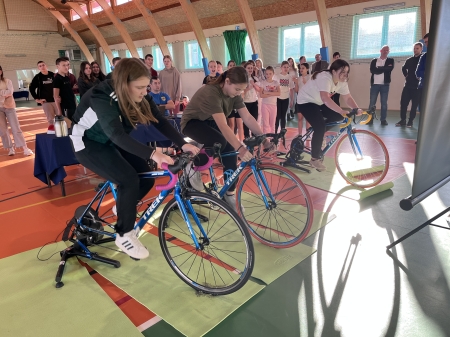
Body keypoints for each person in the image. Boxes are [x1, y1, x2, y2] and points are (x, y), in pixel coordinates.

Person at [69, 58, 199, 259]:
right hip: (88, 143)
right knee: (128, 179)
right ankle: (124, 234)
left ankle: (122, 205)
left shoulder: (138, 93)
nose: (144, 92)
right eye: (140, 87)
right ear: (124, 83)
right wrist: (154, 153)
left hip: (112, 139)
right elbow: (116, 135)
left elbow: (160, 121)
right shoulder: (101, 96)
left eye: (146, 87)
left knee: (146, 177)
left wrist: (183, 143)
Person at [180, 67, 272, 212]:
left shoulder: (234, 94)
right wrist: (241, 148)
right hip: (192, 123)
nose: (239, 93)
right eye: (237, 89)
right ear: (227, 81)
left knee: (230, 152)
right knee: (222, 142)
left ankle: (228, 194)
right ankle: (191, 165)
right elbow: (223, 126)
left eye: (242, 90)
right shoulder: (212, 93)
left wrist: (264, 138)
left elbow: (247, 117)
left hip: (209, 121)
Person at [296, 59, 363, 171]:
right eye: (342, 72)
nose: (345, 75)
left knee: (339, 117)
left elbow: (348, 97)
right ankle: (314, 159)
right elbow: (325, 98)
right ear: (333, 71)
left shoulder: (342, 82)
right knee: (320, 126)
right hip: (305, 101)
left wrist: (356, 108)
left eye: (346, 72)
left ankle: (320, 134)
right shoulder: (325, 77)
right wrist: (341, 110)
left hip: (319, 101)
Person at [0, 65, 34, 156]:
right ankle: (10, 148)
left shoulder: (7, 81)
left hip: (10, 107)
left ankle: (25, 148)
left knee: (16, 128)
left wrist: (1, 93)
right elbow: (6, 93)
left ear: (1, 71)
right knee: (2, 130)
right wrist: (4, 92)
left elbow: (10, 92)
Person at [396, 42, 423, 128]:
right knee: (403, 103)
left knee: (414, 105)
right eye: (414, 48)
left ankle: (410, 121)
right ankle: (403, 120)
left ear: (421, 49)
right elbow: (403, 68)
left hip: (417, 87)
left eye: (417, 48)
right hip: (407, 86)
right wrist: (406, 75)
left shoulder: (422, 59)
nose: (415, 50)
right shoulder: (410, 60)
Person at [29, 61, 58, 134]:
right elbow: (31, 88)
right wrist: (37, 99)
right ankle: (53, 133)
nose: (42, 67)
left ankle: (62, 132)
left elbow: (59, 86)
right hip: (46, 102)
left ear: (46, 66)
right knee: (51, 119)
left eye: (43, 65)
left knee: (60, 117)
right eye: (40, 66)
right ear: (38, 68)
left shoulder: (53, 75)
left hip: (56, 100)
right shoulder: (38, 77)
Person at [368, 45, 394, 125]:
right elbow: (372, 70)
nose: (385, 51)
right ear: (380, 51)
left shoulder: (391, 60)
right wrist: (383, 68)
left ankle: (383, 120)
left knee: (384, 103)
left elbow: (389, 69)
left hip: (385, 85)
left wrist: (379, 68)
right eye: (384, 50)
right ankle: (370, 119)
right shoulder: (374, 60)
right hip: (374, 85)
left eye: (387, 50)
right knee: (372, 103)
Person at [53, 57, 77, 121]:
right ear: (58, 66)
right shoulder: (57, 79)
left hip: (72, 105)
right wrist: (59, 111)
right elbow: (56, 96)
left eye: (68, 65)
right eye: (64, 65)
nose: (66, 67)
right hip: (65, 107)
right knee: (69, 125)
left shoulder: (66, 77)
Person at [259, 66, 280, 134]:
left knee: (272, 124)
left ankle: (273, 139)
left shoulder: (276, 83)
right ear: (265, 74)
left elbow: (278, 93)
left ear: (273, 74)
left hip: (273, 105)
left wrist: (267, 93)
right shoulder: (263, 83)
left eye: (270, 74)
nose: (268, 75)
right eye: (267, 74)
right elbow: (261, 95)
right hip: (265, 105)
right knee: (266, 124)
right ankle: (266, 139)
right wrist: (273, 93)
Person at [242, 61, 261, 138]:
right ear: (245, 69)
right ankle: (247, 136)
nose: (250, 69)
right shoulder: (243, 79)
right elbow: (241, 92)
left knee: (254, 119)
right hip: (246, 102)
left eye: (251, 68)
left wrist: (253, 84)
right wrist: (248, 88)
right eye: (248, 68)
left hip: (254, 101)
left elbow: (259, 89)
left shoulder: (255, 78)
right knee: (246, 120)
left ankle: (254, 135)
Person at [276, 61, 294, 132]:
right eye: (284, 67)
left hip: (286, 98)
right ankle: (275, 131)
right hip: (278, 98)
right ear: (281, 68)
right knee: (277, 116)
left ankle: (282, 132)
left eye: (287, 67)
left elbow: (291, 89)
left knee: (283, 116)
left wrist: (292, 100)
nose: (286, 68)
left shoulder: (289, 77)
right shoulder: (277, 76)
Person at [294, 62, 311, 134]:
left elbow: (311, 89)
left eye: (303, 68)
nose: (301, 70)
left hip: (307, 101)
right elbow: (296, 90)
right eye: (300, 68)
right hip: (300, 100)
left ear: (307, 69)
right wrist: (296, 83)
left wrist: (305, 83)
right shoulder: (298, 78)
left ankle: (308, 134)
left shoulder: (310, 77)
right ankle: (300, 134)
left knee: (308, 119)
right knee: (300, 118)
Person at [416, 33, 429, 115]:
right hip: (423, 86)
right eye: (425, 42)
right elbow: (418, 72)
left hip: (436, 88)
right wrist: (427, 73)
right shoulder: (424, 57)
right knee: (422, 107)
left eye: (427, 41)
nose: (426, 44)